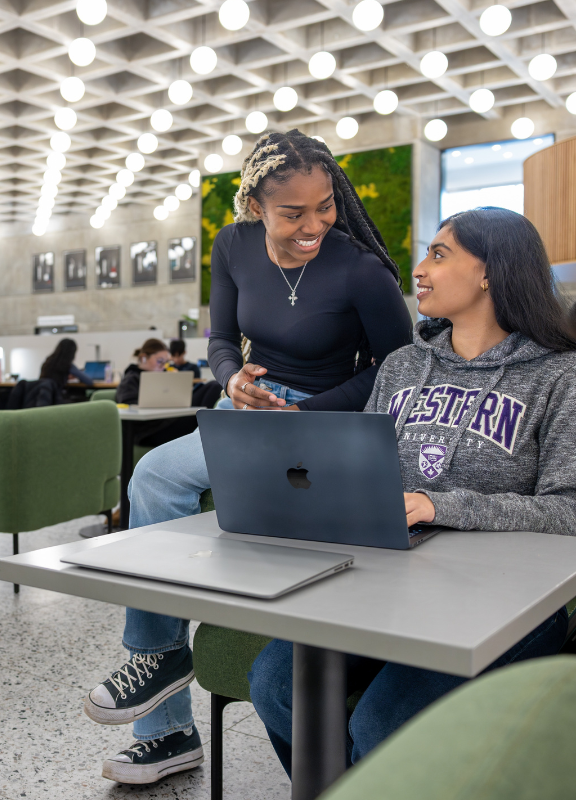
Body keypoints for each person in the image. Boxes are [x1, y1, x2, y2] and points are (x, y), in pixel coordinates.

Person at [83, 129, 413, 784]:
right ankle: (167, 710)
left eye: (325, 205)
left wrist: (306, 411)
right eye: (295, 212)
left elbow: (398, 370)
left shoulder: (360, 269)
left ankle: (165, 698)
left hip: (325, 419)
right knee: (152, 475)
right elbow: (220, 338)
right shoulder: (231, 245)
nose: (314, 224)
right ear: (256, 204)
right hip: (247, 410)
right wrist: (232, 379)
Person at [248, 207, 576, 776]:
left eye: (439, 254)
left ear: (492, 271)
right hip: (387, 586)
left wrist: (442, 505)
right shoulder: (400, 366)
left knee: (378, 725)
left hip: (507, 601)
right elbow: (355, 471)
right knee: (275, 686)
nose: (418, 269)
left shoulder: (564, 375)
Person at [115, 338, 203, 448]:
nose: (163, 366)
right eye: (160, 361)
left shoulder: (164, 378)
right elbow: (129, 407)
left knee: (208, 391)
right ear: (143, 358)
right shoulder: (131, 379)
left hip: (166, 423)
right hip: (148, 432)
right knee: (211, 389)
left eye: (166, 362)